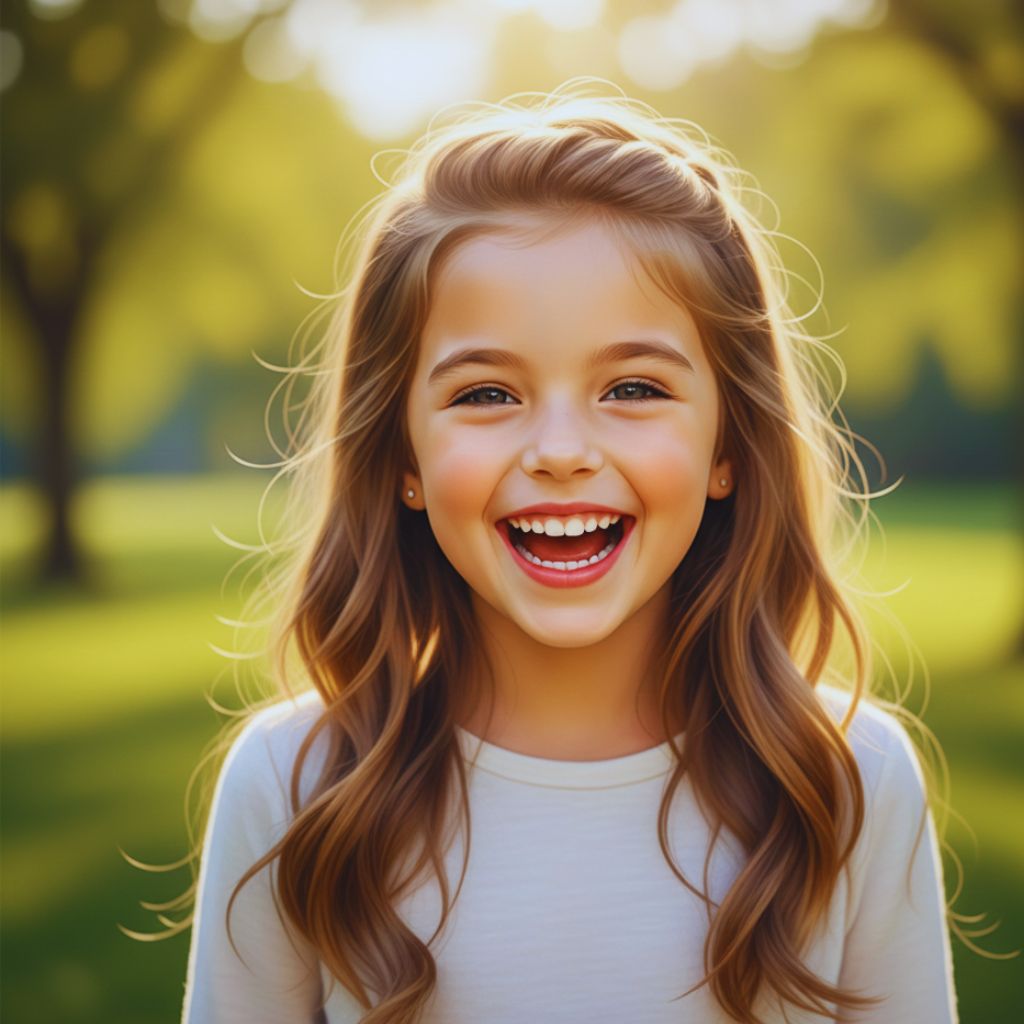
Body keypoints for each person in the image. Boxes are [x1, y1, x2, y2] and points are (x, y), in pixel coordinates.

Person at [179, 83, 959, 1023]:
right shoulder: (295, 784)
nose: (558, 450)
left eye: (631, 387)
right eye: (486, 395)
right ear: (401, 457)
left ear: (727, 448)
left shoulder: (849, 780)